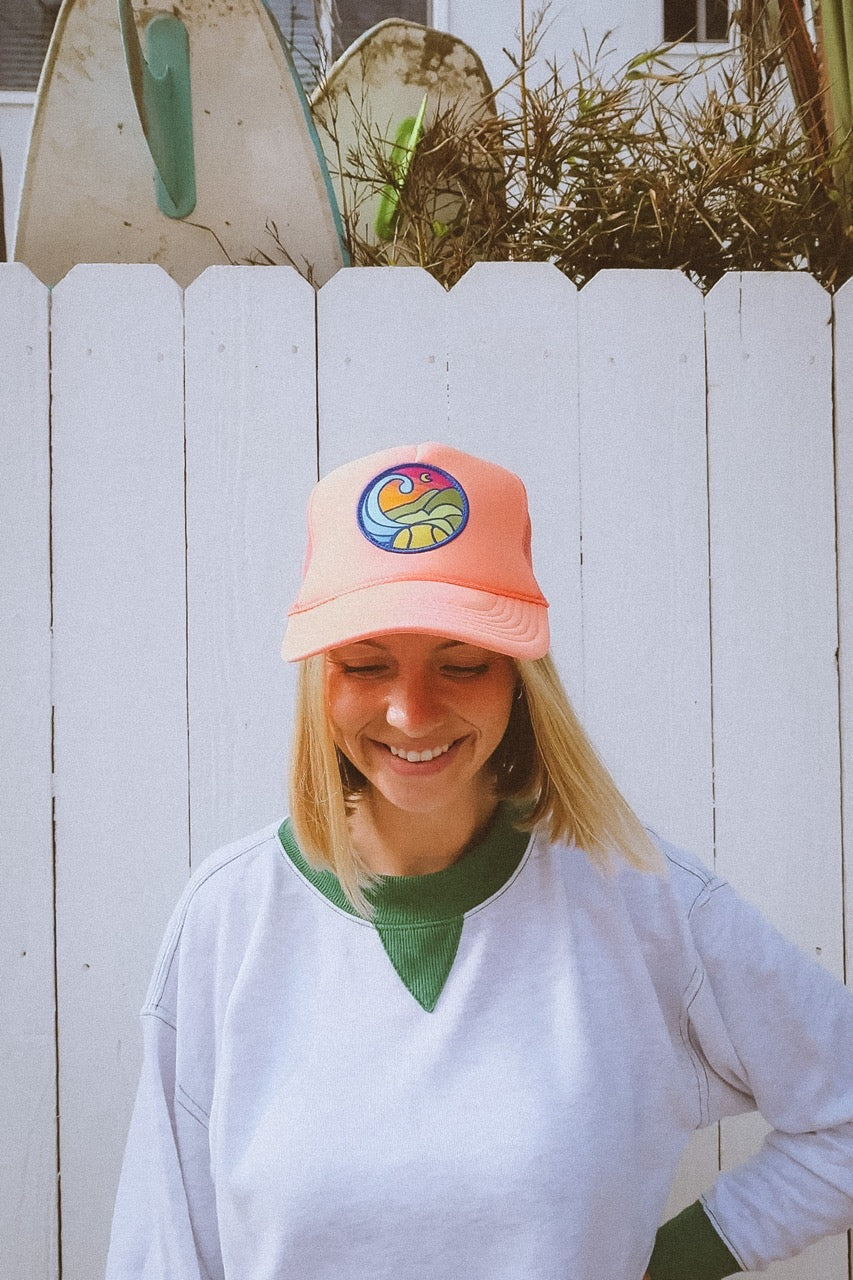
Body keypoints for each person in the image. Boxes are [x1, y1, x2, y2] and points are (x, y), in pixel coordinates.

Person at [106, 442, 853, 1280]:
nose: (410, 712)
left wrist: (671, 1263)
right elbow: (161, 1247)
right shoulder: (228, 917)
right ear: (320, 679)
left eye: (461, 664)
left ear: (520, 680)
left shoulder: (645, 906)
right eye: (365, 664)